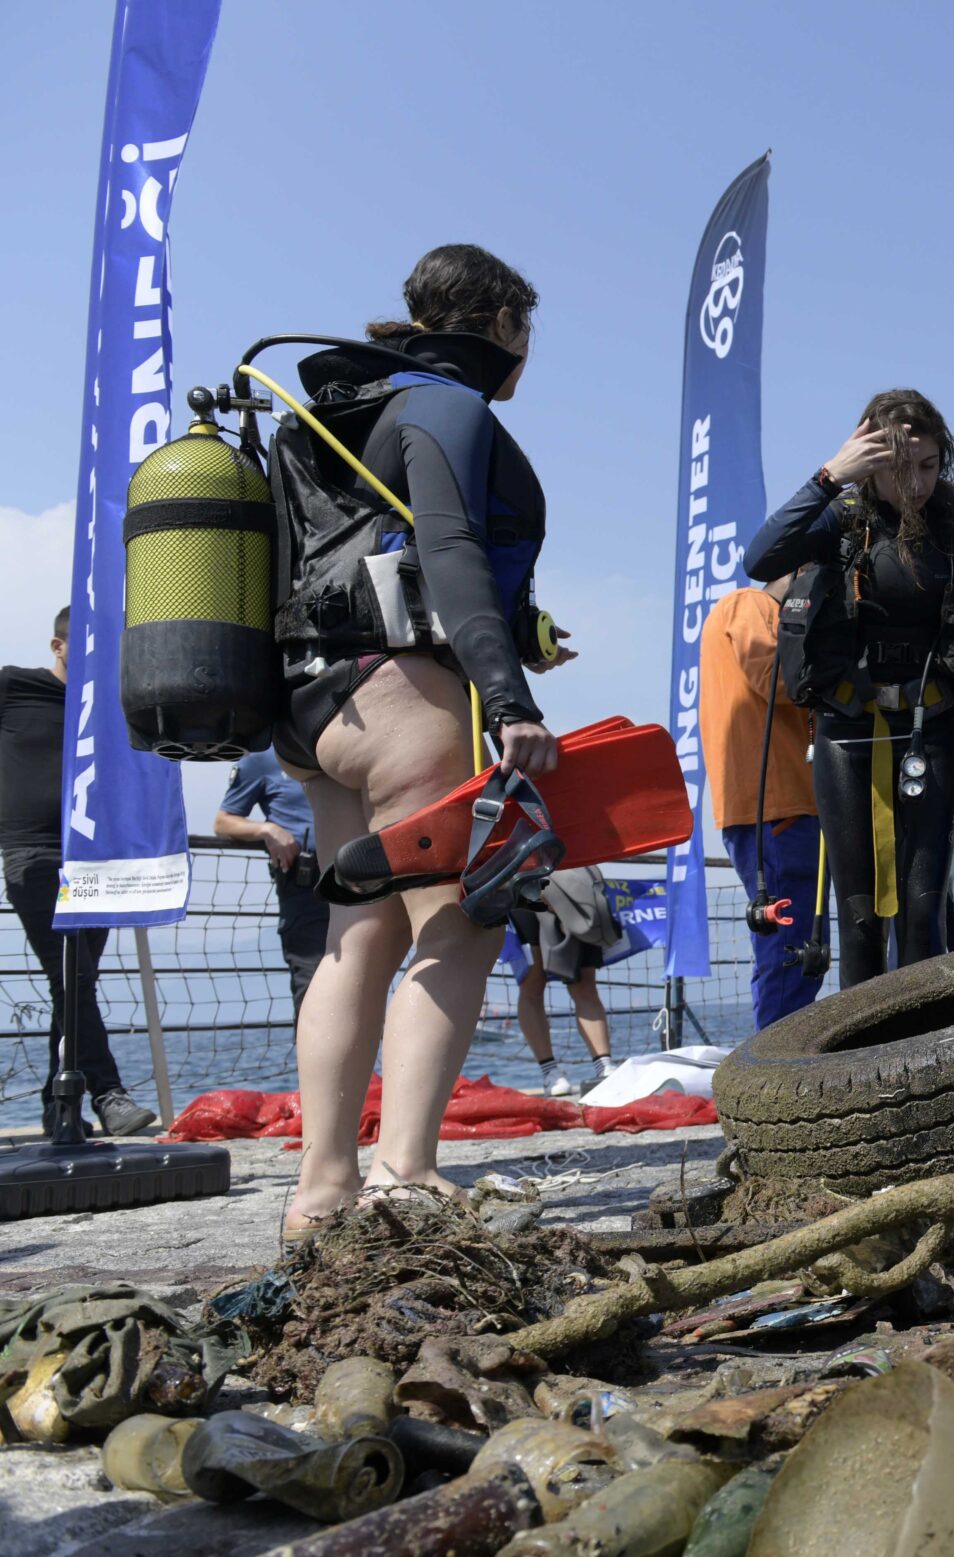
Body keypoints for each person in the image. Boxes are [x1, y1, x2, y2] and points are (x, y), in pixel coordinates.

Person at [268, 244, 564, 1238]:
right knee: (462, 919)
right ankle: (406, 1172)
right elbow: (448, 547)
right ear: (500, 326)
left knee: (361, 934)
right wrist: (509, 698)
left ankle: (320, 1190)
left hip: (309, 710)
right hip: (401, 697)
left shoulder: (325, 409)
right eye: (526, 334)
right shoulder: (447, 404)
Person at [741, 389, 954, 988]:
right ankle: (861, 1072)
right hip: (847, 732)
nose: (916, 483)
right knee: (859, 918)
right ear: (870, 461)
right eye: (899, 467)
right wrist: (827, 476)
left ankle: (926, 1062)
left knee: (924, 914)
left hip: (929, 729)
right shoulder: (841, 515)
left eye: (928, 465)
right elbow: (759, 559)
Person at [1, 608, 154, 1137]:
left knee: (75, 982)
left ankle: (57, 1108)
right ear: (57, 646)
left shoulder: (110, 708)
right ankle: (108, 1092)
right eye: (82, 646)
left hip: (97, 857)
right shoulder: (14, 687)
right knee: (73, 975)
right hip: (34, 854)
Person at [700, 582, 824, 1029]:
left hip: (774, 806)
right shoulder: (749, 604)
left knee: (793, 952)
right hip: (776, 806)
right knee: (792, 953)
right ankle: (779, 1079)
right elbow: (781, 677)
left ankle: (776, 1072)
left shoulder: (740, 608)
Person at [214, 747, 328, 1020]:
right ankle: (314, 1062)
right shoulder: (262, 759)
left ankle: (363, 1063)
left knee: (363, 975)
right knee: (312, 980)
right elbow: (223, 822)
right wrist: (266, 829)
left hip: (357, 880)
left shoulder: (336, 749)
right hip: (305, 886)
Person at [512, 868, 619, 1096]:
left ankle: (604, 1065)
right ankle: (550, 1072)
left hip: (573, 880)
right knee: (532, 981)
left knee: (584, 982)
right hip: (519, 882)